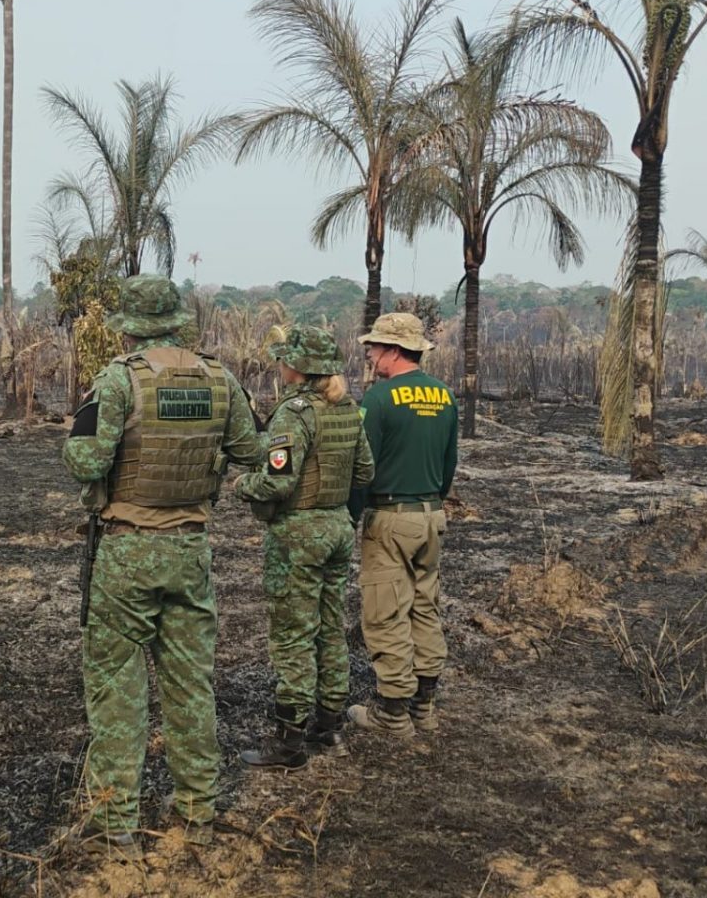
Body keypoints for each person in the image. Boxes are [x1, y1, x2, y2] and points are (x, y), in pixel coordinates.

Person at [62, 274, 263, 857]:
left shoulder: (119, 381)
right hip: (190, 548)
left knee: (118, 689)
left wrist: (75, 443)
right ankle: (199, 810)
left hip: (127, 548)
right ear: (176, 321)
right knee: (190, 685)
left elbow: (86, 459)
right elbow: (253, 453)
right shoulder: (220, 380)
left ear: (128, 326)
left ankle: (118, 823)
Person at [234, 326, 374, 768]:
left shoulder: (293, 413)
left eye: (284, 359)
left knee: (294, 634)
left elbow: (279, 480)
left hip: (298, 534)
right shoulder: (348, 409)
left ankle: (289, 739)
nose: (280, 364)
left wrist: (243, 484)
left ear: (296, 367)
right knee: (331, 626)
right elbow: (365, 471)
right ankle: (328, 725)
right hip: (337, 527)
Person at [346, 312, 459, 738]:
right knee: (424, 607)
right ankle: (424, 706)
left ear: (394, 350)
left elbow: (362, 470)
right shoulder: (445, 396)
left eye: (374, 348)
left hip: (390, 518)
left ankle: (392, 712)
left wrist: (352, 516)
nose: (371, 355)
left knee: (386, 612)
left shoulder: (378, 400)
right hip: (431, 515)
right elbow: (450, 463)